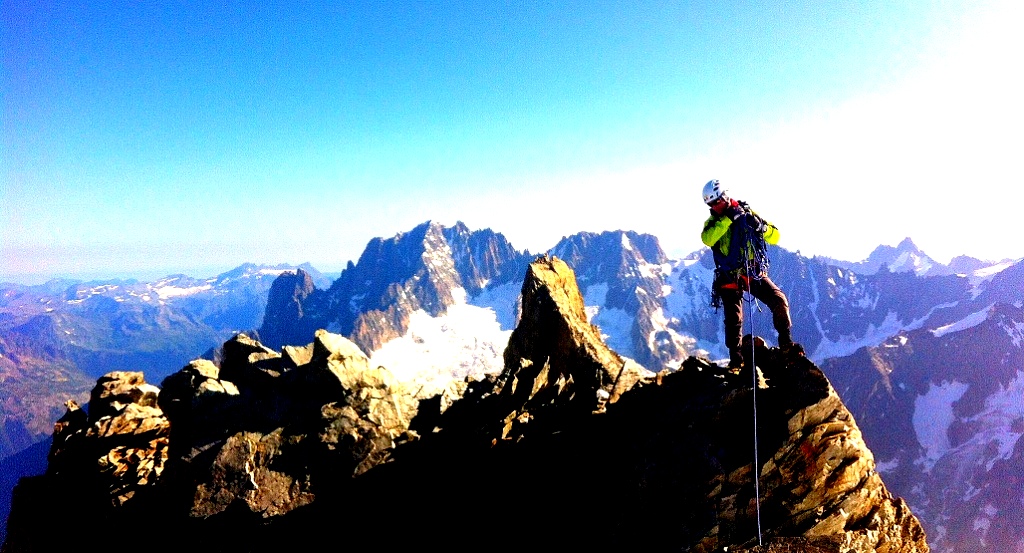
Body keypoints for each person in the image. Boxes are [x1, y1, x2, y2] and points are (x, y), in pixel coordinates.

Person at [700, 179, 796, 369]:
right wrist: (729, 219)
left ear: (724, 197)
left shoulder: (747, 213)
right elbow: (707, 239)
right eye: (711, 204)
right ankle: (736, 361)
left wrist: (762, 228)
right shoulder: (713, 222)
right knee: (734, 320)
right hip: (729, 276)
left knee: (778, 300)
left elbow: (775, 236)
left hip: (751, 271)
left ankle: (786, 345)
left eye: (716, 202)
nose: (715, 207)